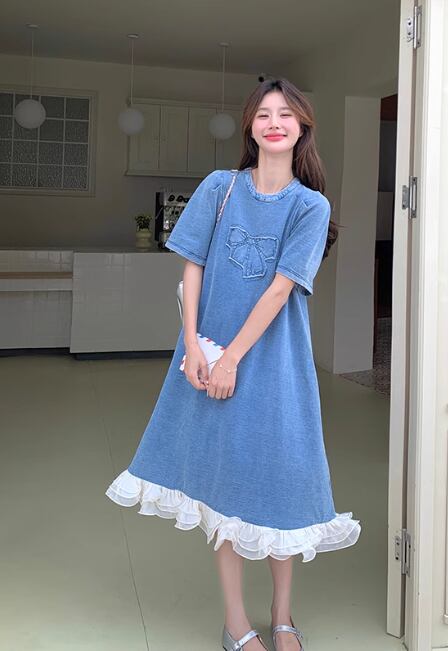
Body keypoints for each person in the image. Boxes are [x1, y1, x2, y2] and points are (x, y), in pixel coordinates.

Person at [105, 77, 361, 651]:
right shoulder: (219, 187)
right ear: (250, 126)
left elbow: (280, 289)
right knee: (226, 486)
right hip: (209, 352)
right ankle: (236, 622)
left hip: (275, 363)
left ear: (302, 127)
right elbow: (191, 266)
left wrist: (233, 360)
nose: (275, 122)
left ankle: (283, 615)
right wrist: (193, 346)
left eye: (286, 114)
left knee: (281, 481)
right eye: (263, 113)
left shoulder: (310, 205)